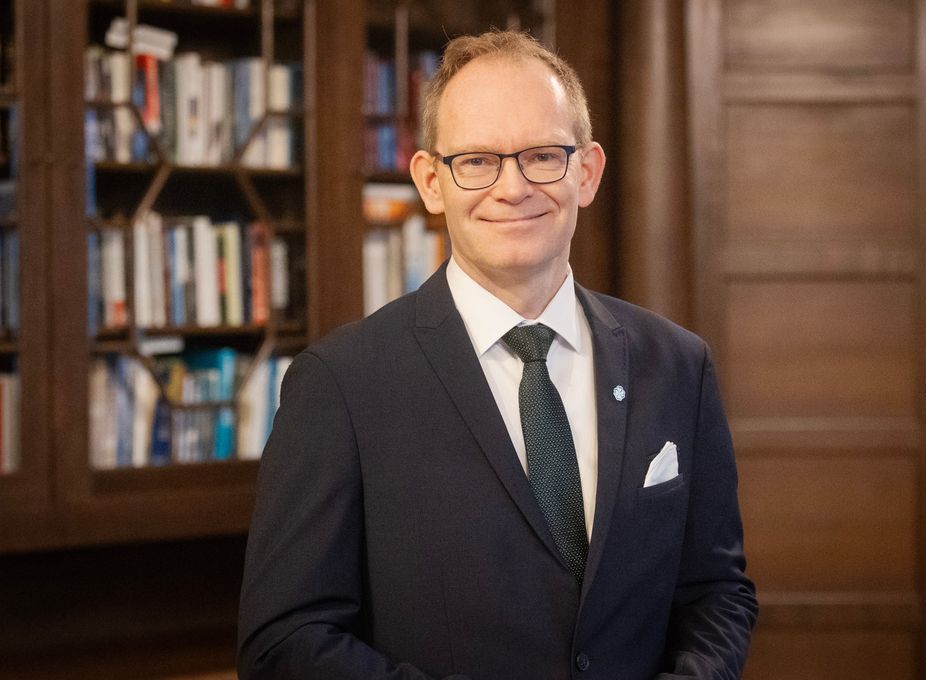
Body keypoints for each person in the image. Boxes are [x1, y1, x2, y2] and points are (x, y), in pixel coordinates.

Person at [237, 29, 757, 680]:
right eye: (477, 161)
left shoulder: (678, 366)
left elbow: (717, 592)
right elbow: (284, 641)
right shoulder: (341, 383)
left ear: (586, 172)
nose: (512, 188)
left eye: (542, 155)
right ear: (431, 181)